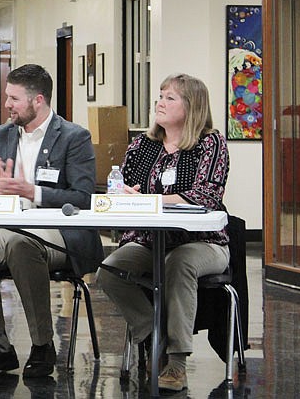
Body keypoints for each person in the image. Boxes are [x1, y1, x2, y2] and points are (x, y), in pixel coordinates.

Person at [0, 64, 104, 378]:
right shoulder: (0, 135)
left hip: (60, 232)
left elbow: (82, 197)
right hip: (9, 224)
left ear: (38, 100)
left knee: (22, 244)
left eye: (14, 98)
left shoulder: (74, 137)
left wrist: (31, 191)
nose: (7, 104)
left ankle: (42, 344)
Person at [96, 73, 230, 392]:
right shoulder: (143, 144)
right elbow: (122, 185)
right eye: (160, 95)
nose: (160, 102)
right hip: (149, 240)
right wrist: (123, 194)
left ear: (192, 106)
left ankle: (177, 362)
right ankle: (155, 336)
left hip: (202, 243)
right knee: (110, 271)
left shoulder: (209, 144)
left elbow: (205, 195)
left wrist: (150, 200)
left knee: (178, 263)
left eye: (171, 98)